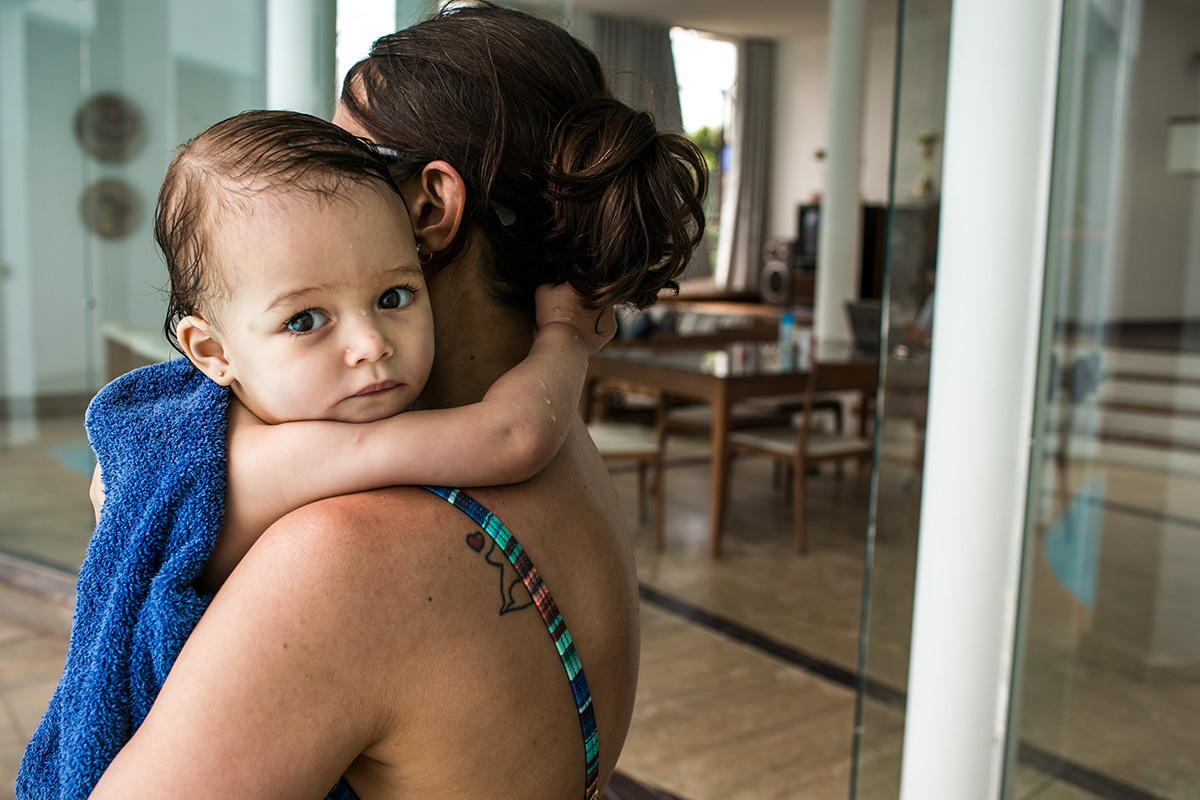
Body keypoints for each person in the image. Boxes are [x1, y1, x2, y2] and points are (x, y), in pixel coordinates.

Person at [89, 4, 706, 799]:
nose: (310, 179)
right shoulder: (566, 446)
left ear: (427, 206)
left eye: (345, 156)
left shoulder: (343, 562)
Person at [18, 110, 611, 799]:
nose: (371, 344)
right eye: (305, 319)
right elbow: (513, 438)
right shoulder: (284, 458)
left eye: (394, 296)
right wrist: (568, 334)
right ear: (212, 353)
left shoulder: (245, 415)